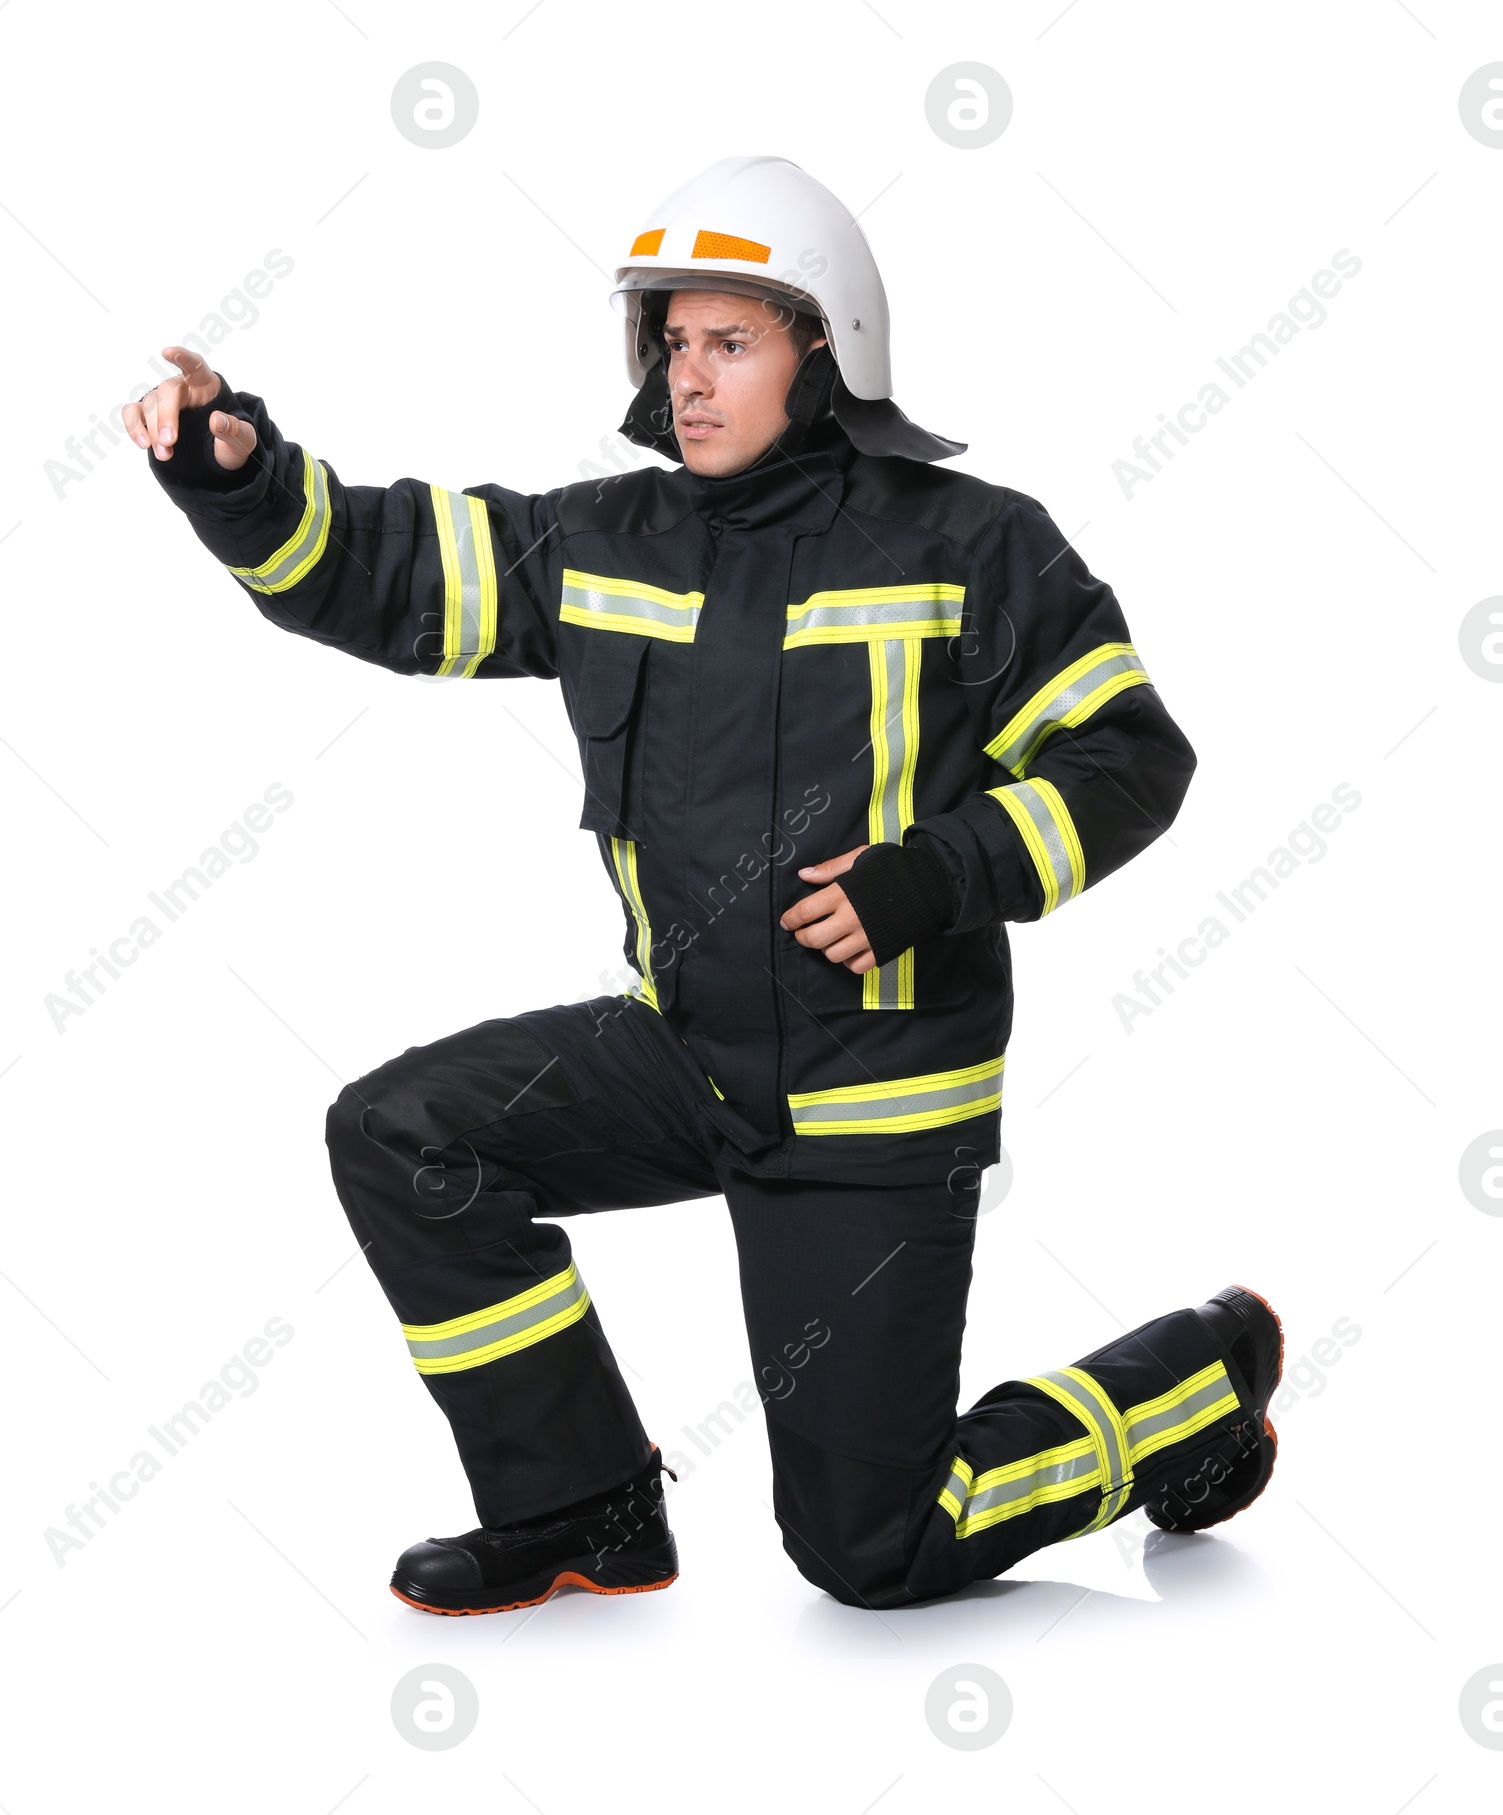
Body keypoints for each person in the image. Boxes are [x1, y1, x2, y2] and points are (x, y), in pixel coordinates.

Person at [128, 156, 1283, 1617]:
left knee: (875, 1549)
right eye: (674, 342)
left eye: (730, 342)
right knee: (406, 1136)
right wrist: (236, 479)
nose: (690, 376)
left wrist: (941, 871)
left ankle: (1193, 1386)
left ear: (829, 351)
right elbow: (385, 574)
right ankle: (582, 1505)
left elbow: (1130, 758)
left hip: (874, 1096)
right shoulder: (607, 539)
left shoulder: (973, 544)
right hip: (687, 1054)